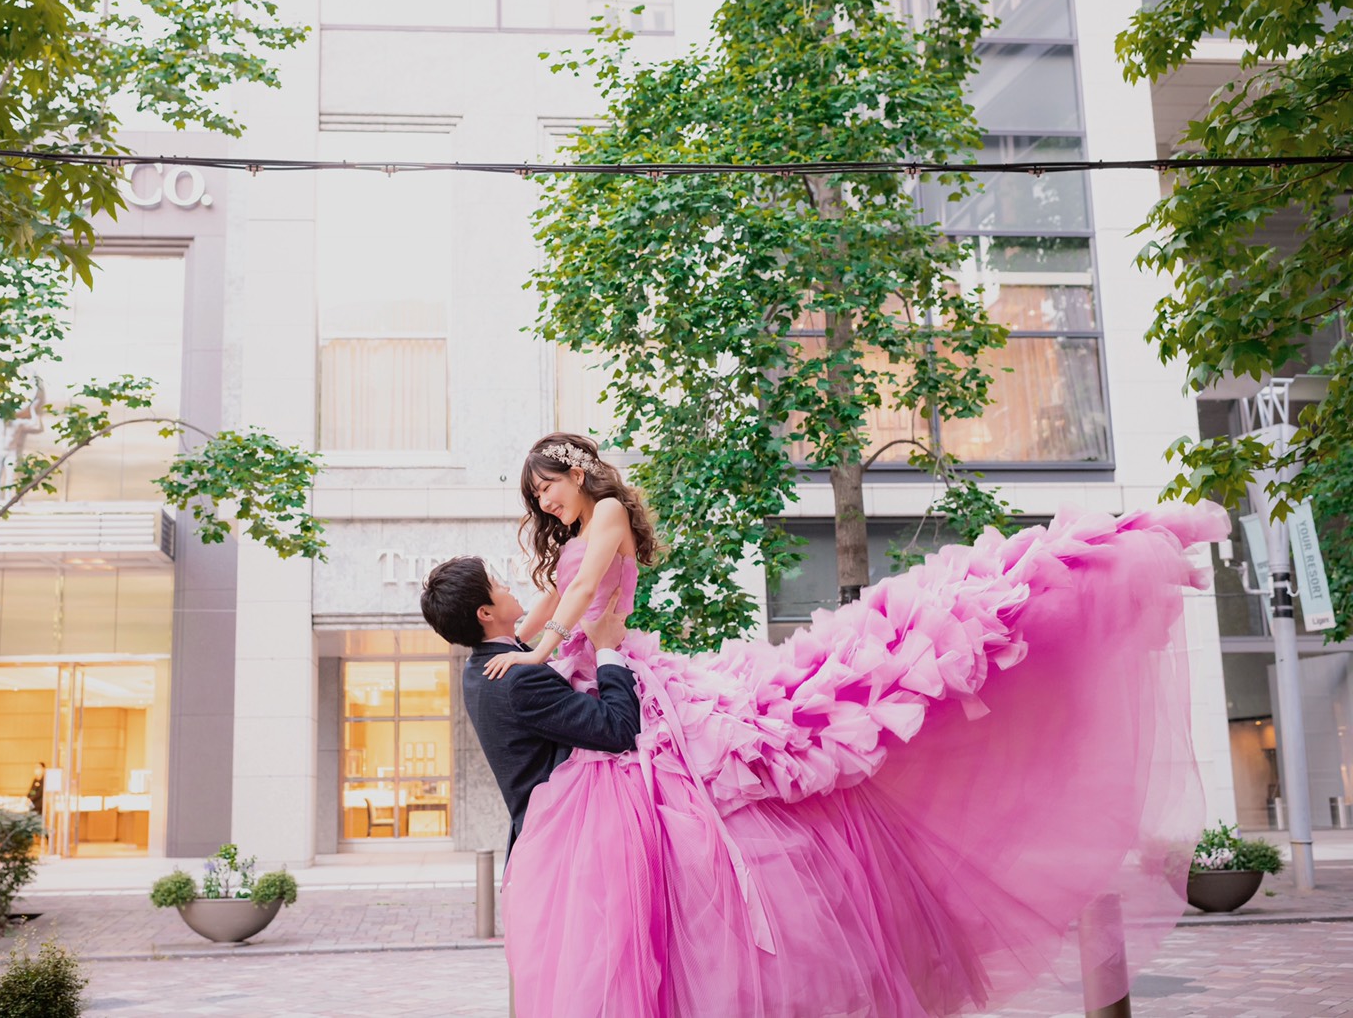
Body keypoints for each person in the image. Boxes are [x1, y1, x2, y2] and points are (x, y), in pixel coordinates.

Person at [471, 431, 1227, 1017]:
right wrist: (515, 644)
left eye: (548, 488)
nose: (545, 505)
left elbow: (573, 609)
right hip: (599, 667)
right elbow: (549, 605)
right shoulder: (572, 534)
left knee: (717, 793)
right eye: (536, 498)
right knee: (673, 820)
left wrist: (535, 652)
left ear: (577, 472)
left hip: (623, 669)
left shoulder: (604, 514)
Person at [421, 556, 640, 857]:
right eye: (497, 584)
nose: (508, 586)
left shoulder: (479, 668)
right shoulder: (517, 680)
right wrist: (605, 648)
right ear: (485, 612)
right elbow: (619, 729)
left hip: (539, 839)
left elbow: (538, 623)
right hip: (568, 847)